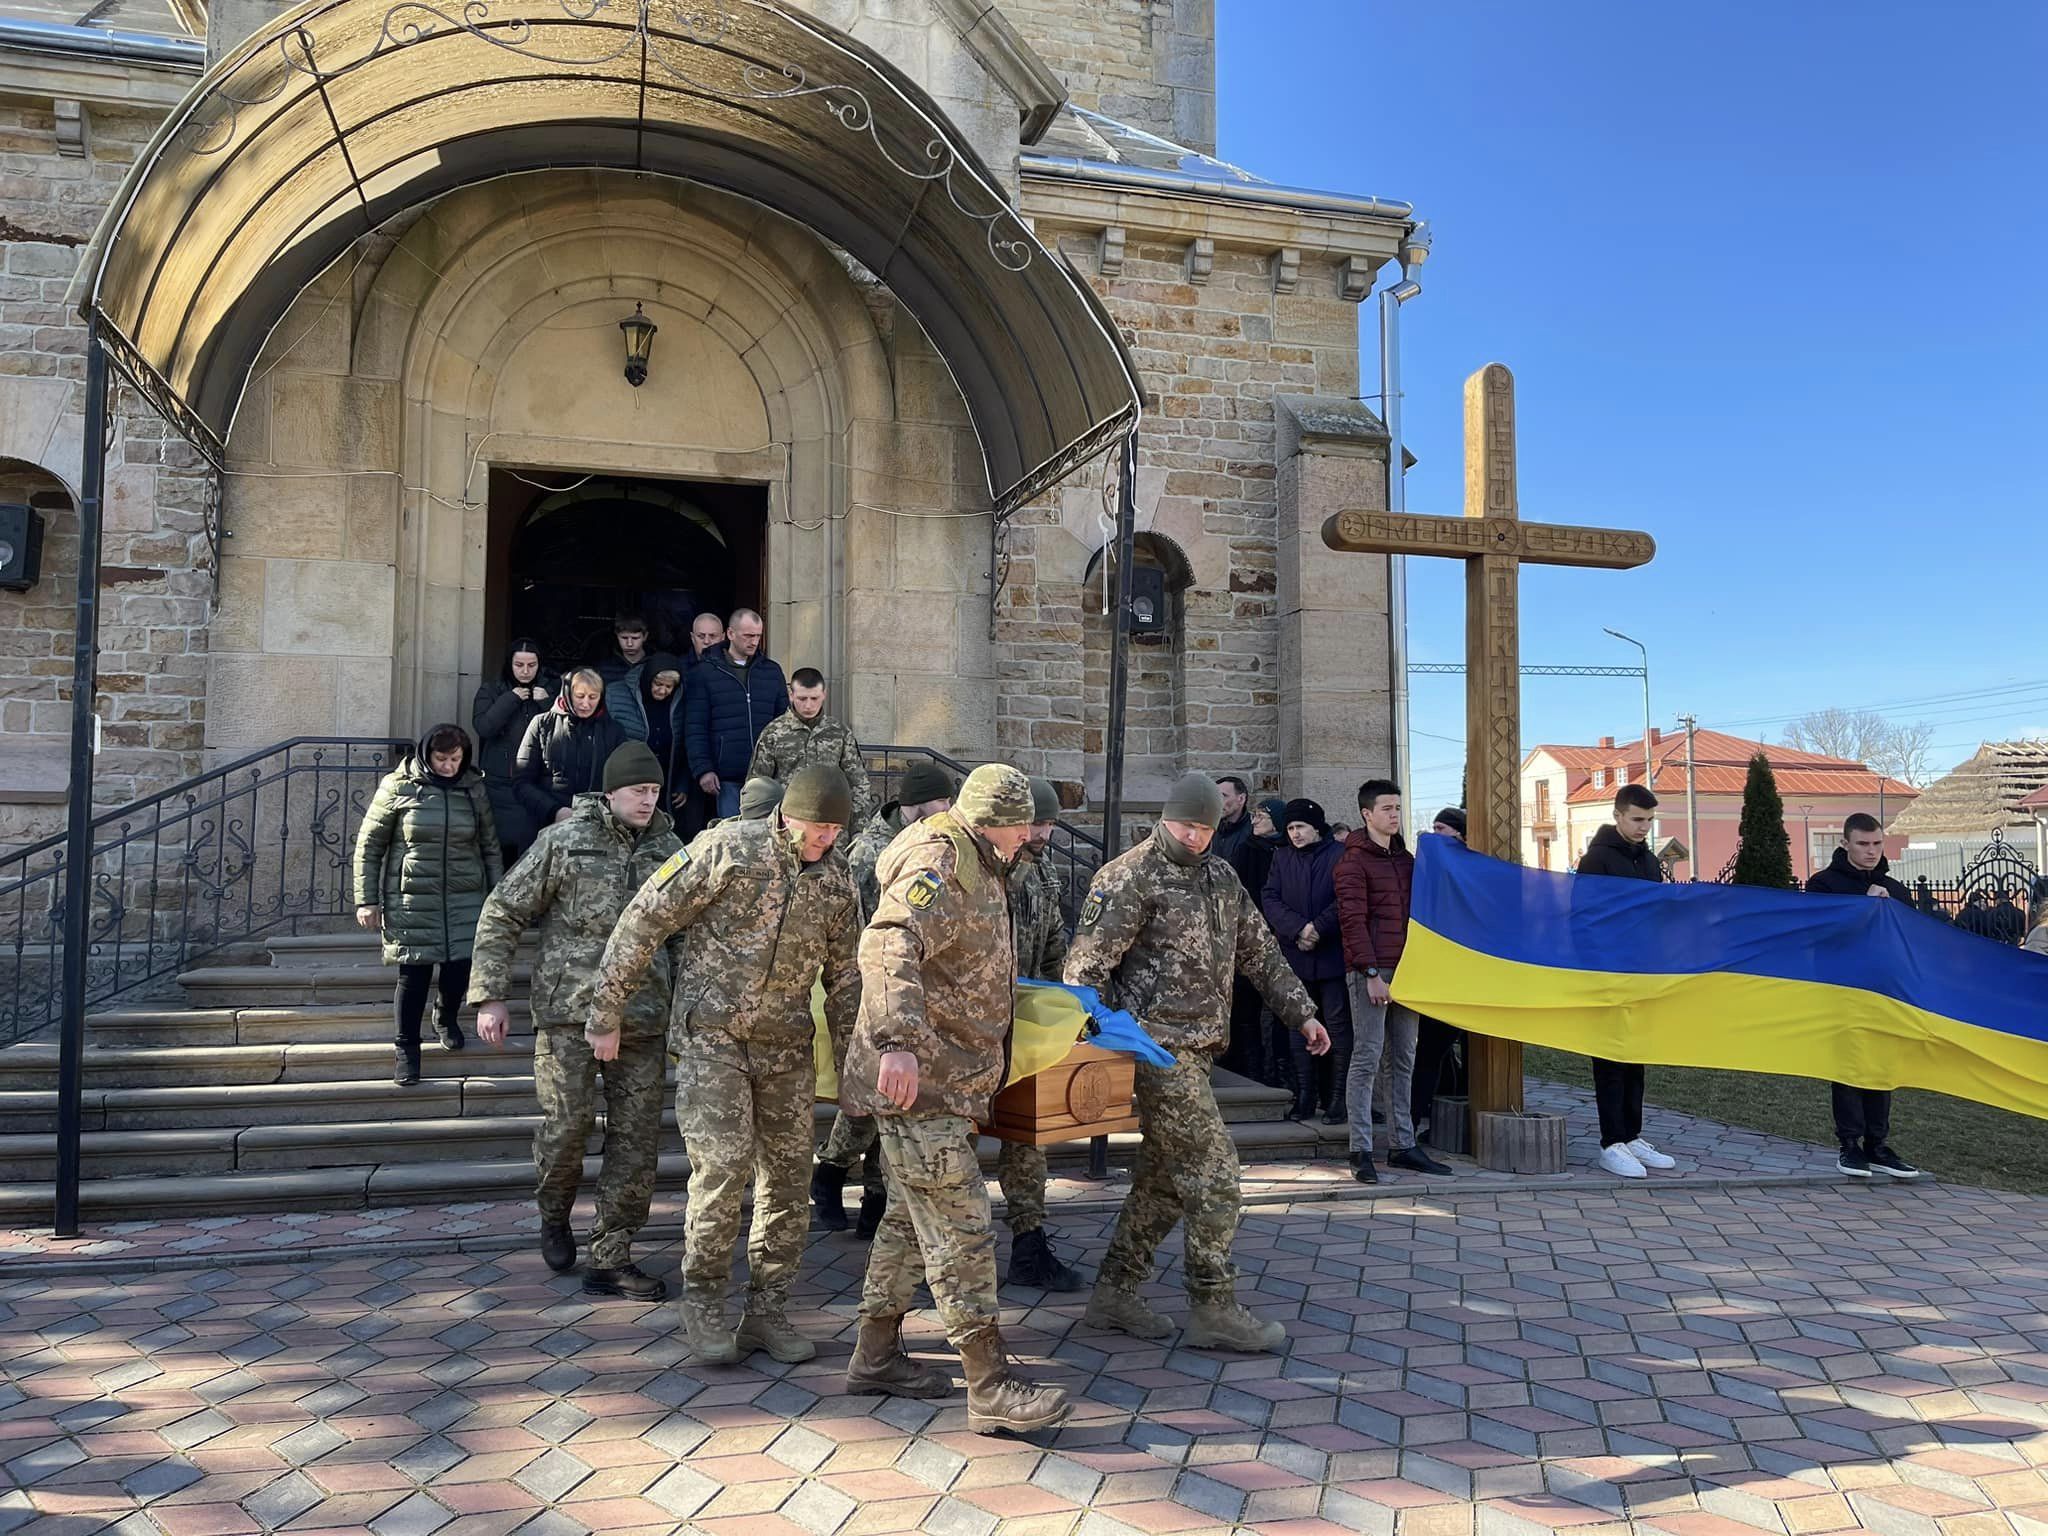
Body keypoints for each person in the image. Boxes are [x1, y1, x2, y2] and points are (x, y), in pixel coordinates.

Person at [590, 765, 863, 1365]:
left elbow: (847, 980)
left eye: (835, 831)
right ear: (787, 816)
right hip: (713, 1039)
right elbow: (644, 919)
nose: (825, 840)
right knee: (724, 1166)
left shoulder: (838, 879)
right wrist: (606, 1011)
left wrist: (852, 1069)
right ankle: (706, 1299)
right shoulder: (727, 849)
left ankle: (768, 1309)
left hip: (785, 1048)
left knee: (788, 1180)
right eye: (817, 829)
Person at [1067, 771, 1330, 1353]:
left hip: (1202, 1047)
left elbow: (1260, 951)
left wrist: (1303, 1014)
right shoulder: (1128, 877)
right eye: (1186, 825)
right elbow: (1084, 970)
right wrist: (1111, 1038)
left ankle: (1114, 1292)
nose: (1195, 837)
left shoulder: (1221, 876)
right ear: (1165, 818)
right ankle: (1213, 1305)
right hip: (1155, 1050)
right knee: (1215, 1175)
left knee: (1163, 1182)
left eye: (1206, 828)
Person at [841, 764, 1069, 1434]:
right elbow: (889, 941)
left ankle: (876, 1356)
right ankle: (989, 1383)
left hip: (951, 1080)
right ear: (991, 819)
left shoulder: (984, 857)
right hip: (921, 1081)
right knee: (961, 1224)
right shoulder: (939, 856)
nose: (1029, 836)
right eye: (1021, 824)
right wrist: (897, 1041)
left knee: (908, 1224)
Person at [467, 743, 680, 1297]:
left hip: (643, 1018)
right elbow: (503, 910)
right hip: (570, 1014)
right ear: (609, 793)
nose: (647, 800)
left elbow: (685, 935)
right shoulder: (563, 842)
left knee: (636, 1141)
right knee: (567, 1128)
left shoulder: (671, 849)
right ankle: (554, 1211)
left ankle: (611, 1254)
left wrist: (686, 1006)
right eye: (637, 790)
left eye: (654, 791)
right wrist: (489, 995)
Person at [812, 758, 956, 1235]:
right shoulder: (868, 852)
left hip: (915, 992)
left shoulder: (935, 845)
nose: (949, 811)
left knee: (895, 1102)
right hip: (870, 989)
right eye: (941, 803)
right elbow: (852, 926)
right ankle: (832, 1170)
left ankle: (877, 1196)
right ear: (916, 806)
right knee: (872, 1098)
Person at [353, 725, 501, 1086]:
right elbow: (370, 846)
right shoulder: (399, 786)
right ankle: (406, 1048)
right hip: (412, 898)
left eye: (455, 759)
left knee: (459, 969)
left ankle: (446, 1016)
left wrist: (497, 897)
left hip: (465, 896)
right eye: (441, 759)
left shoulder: (473, 788)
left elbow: (489, 845)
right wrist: (367, 900)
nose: (449, 766)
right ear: (426, 755)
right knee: (414, 976)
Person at [1333, 779, 1449, 1183]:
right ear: (1367, 814)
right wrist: (1368, 973)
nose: (1395, 814)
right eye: (1386, 808)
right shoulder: (1352, 862)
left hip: (1407, 972)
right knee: (1367, 1057)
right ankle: (1361, 1150)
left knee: (1403, 1058)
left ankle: (1403, 1144)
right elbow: (1352, 921)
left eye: (1398, 807)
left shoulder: (1406, 861)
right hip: (1372, 971)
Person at [1805, 813, 1923, 1180]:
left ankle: (1878, 1145)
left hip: (1886, 992)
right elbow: (1820, 934)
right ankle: (1850, 1145)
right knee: (1849, 1065)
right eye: (1862, 844)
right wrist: (1863, 906)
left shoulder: (1896, 890)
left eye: (1876, 844)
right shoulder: (1823, 885)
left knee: (1880, 1066)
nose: (1871, 851)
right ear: (1845, 844)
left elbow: (1913, 940)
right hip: (1842, 990)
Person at [1000, 776, 1083, 1292]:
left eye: (1050, 824)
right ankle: (909, 1254)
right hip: (965, 1027)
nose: (1044, 834)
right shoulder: (985, 867)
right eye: (1037, 823)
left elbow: (1054, 944)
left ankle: (1028, 1245)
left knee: (1028, 1138)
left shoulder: (1045, 870)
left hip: (1024, 1023)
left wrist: (1061, 1010)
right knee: (942, 1149)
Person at [1576, 783, 1679, 1179]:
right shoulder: (1596, 860)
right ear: (1617, 815)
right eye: (1637, 819)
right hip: (1607, 972)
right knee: (1609, 1056)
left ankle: (1632, 1135)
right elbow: (1583, 916)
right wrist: (1598, 967)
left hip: (1642, 971)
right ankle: (1611, 1142)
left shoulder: (1650, 861)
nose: (1644, 827)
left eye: (1649, 820)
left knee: (1635, 1054)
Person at [1261, 799, 1351, 1126]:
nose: (1295, 834)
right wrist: (1299, 929)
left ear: (1316, 827)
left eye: (1300, 827)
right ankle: (1305, 1096)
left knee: (1337, 1028)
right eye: (1290, 828)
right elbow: (1270, 897)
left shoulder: (1339, 855)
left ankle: (1338, 1099)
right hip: (1296, 954)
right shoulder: (1282, 857)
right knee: (1299, 1026)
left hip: (1332, 956)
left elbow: (1345, 899)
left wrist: (1318, 928)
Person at [684, 609, 787, 820]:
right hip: (727, 776)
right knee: (732, 833)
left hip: (768, 775)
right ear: (730, 634)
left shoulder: (771, 671)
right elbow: (695, 726)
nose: (754, 641)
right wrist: (703, 769)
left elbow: (784, 722)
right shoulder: (705, 673)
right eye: (748, 635)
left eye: (758, 636)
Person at [746, 668, 877, 830]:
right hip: (787, 826)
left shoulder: (839, 733)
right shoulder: (773, 733)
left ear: (824, 695)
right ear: (791, 695)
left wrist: (859, 830)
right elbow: (757, 786)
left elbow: (858, 784)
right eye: (802, 698)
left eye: (814, 698)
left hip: (830, 827)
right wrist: (760, 830)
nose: (808, 705)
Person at [1410, 807, 1470, 1135]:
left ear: (1459, 833)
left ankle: (1442, 1118)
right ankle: (1422, 1118)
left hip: (1463, 977)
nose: (1435, 835)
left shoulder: (1471, 869)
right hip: (1435, 975)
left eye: (1441, 829)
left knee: (1441, 1051)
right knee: (1432, 1053)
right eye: (1433, 828)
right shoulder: (1429, 869)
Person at [472, 639, 557, 867]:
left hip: (538, 783)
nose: (525, 671)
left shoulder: (551, 689)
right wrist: (510, 699)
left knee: (535, 853)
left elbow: (565, 731)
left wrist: (547, 703)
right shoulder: (491, 690)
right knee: (499, 851)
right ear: (509, 664)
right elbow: (484, 727)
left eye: (532, 665)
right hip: (500, 784)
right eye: (519, 665)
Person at [514, 668, 628, 830]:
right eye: (580, 696)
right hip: (547, 824)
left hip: (598, 825)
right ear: (568, 694)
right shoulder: (541, 724)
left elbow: (623, 782)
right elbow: (521, 782)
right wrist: (554, 811)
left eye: (593, 697)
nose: (586, 704)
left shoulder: (614, 731)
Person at [629, 653, 688, 808]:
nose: (662, 691)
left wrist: (682, 784)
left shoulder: (678, 705)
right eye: (658, 684)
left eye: (668, 687)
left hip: (667, 782)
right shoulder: (626, 697)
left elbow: (684, 748)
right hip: (633, 779)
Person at [1211, 776, 1254, 871]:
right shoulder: (1209, 828)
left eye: (1223, 796)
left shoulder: (1254, 831)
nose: (1217, 801)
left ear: (1241, 799)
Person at [597, 613, 651, 687]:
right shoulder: (604, 668)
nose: (629, 644)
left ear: (645, 636)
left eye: (635, 638)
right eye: (624, 638)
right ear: (617, 636)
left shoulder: (655, 664)